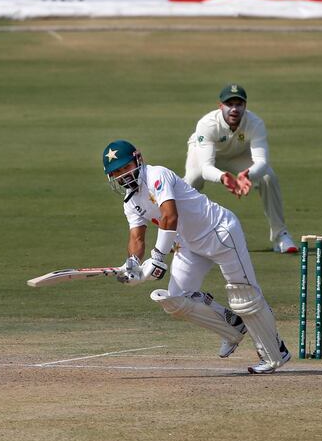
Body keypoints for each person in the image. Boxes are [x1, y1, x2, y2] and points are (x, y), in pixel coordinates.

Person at [103, 139, 290, 374]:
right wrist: (133, 265)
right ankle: (232, 329)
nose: (123, 175)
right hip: (189, 245)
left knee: (244, 295)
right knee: (174, 301)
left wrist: (158, 257)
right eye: (116, 172)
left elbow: (170, 217)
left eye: (125, 167)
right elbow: (137, 238)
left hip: (219, 231)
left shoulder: (157, 175)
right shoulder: (130, 202)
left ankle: (275, 352)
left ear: (138, 159)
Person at [184, 83, 298, 254]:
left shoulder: (255, 123)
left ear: (245, 105)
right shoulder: (207, 124)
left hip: (238, 155)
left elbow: (262, 161)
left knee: (268, 177)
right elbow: (206, 167)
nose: (234, 109)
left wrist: (248, 175)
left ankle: (280, 235)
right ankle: (178, 235)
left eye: (239, 104)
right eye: (229, 104)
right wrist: (224, 177)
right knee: (192, 179)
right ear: (220, 106)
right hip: (206, 154)